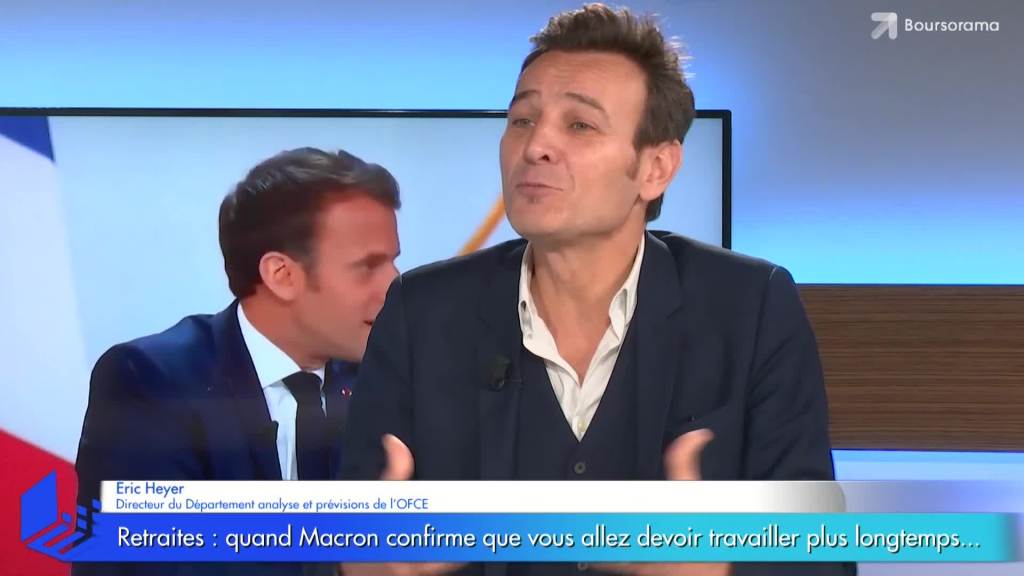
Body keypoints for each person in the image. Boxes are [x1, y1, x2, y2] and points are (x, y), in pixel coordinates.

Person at [341, 4, 853, 576]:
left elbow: (820, 557)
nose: (536, 146)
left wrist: (721, 569)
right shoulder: (422, 312)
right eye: (522, 120)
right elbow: (346, 544)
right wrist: (362, 562)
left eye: (580, 125)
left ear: (656, 168)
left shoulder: (750, 306)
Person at [74, 147, 401, 575]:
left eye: (393, 262)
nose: (395, 285)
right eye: (368, 267)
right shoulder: (151, 382)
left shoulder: (389, 382)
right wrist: (347, 561)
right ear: (281, 275)